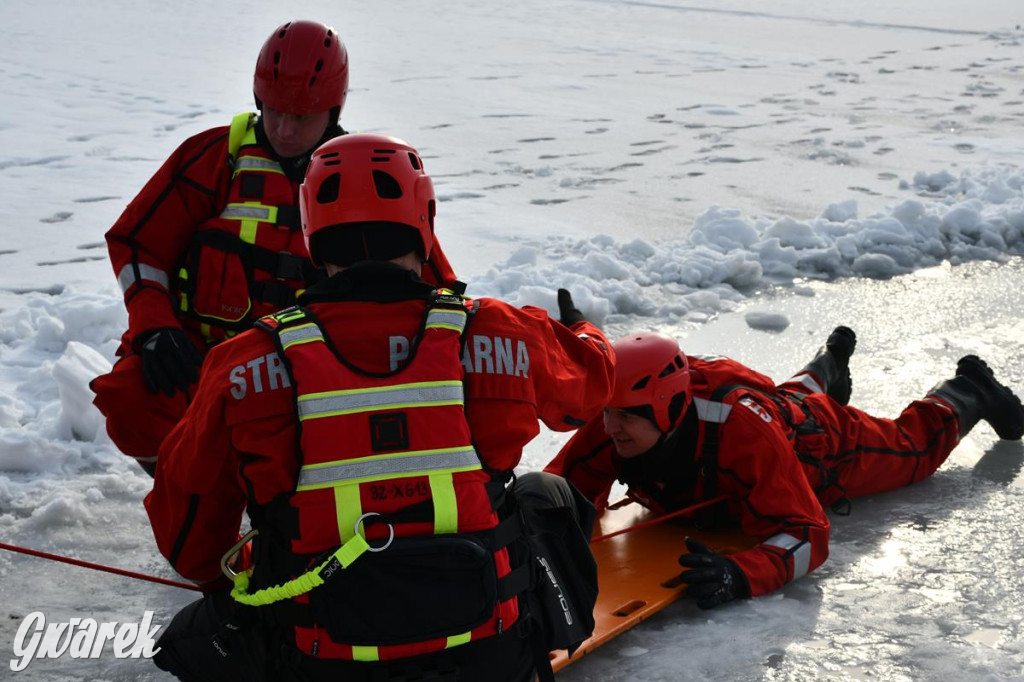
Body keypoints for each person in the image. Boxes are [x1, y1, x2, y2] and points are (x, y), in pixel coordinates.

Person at [144, 133, 615, 681]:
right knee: (545, 493)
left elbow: (188, 535)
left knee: (186, 638)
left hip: (318, 660)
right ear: (424, 220)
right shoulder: (498, 328)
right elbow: (592, 387)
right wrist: (586, 330)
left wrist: (253, 567)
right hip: (488, 657)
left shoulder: (242, 361)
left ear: (310, 234)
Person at [90, 20, 458, 475]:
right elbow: (138, 242)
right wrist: (153, 326)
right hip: (203, 365)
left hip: (309, 380)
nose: (283, 129)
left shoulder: (365, 174)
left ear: (334, 111)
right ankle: (192, 497)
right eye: (273, 111)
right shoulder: (212, 158)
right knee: (130, 397)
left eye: (301, 117)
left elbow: (435, 285)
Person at [545, 328, 1024, 610]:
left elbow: (806, 534)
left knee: (912, 450)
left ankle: (966, 390)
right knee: (785, 400)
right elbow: (560, 493)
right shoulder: (617, 415)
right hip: (773, 410)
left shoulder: (741, 432)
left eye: (625, 416)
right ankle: (828, 367)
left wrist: (740, 574)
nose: (611, 427)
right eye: (608, 413)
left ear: (667, 406)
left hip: (818, 445)